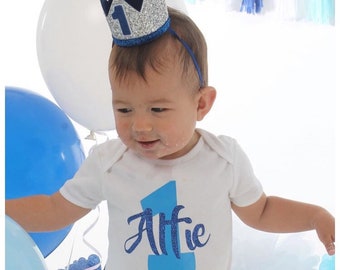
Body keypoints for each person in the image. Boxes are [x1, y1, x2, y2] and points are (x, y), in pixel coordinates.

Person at [6, 5, 335, 270]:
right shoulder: (108, 163)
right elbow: (54, 209)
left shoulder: (223, 159)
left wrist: (314, 216)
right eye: (123, 110)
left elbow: (261, 211)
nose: (141, 127)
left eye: (158, 110)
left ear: (201, 103)